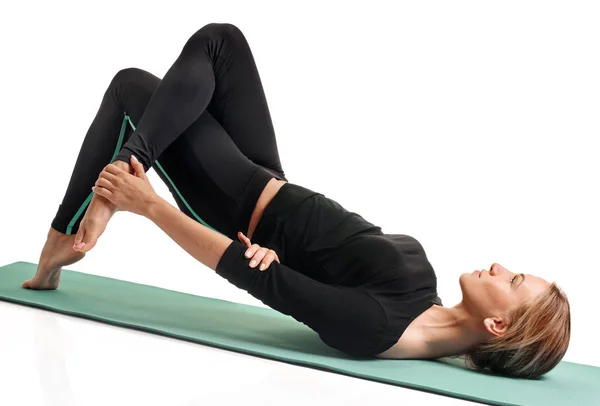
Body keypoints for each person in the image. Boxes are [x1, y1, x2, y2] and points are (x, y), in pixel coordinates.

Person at [23, 23, 570, 379]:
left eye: (513, 280)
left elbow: (252, 274)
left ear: (498, 326)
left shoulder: (378, 329)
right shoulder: (421, 300)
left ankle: (72, 231)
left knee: (135, 87)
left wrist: (148, 204)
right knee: (225, 43)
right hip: (272, 183)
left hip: (236, 204)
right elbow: (322, 260)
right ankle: (121, 170)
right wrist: (295, 262)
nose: (501, 267)